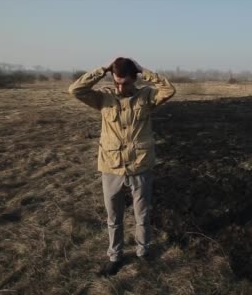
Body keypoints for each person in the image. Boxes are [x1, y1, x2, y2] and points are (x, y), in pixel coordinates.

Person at [68, 57, 176, 276]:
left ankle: (143, 252)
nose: (120, 87)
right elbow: (75, 90)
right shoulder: (103, 97)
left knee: (142, 215)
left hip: (140, 165)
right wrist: (102, 70)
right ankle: (115, 256)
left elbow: (169, 89)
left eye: (125, 82)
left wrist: (143, 70)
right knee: (113, 217)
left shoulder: (147, 96)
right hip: (111, 166)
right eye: (116, 82)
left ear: (134, 79)